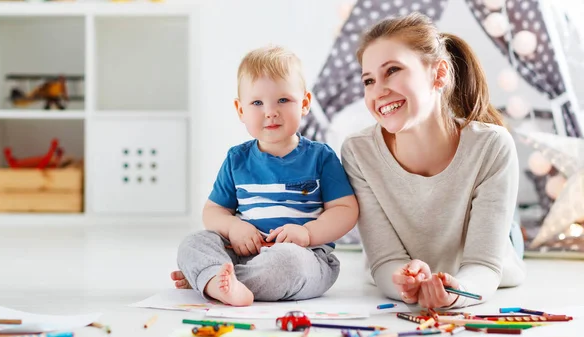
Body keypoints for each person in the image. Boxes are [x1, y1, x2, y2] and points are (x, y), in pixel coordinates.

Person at [340, 12, 526, 309]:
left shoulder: (492, 144)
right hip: (421, 250)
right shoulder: (357, 152)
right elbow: (386, 260)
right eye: (369, 80)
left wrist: (458, 291)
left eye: (393, 71)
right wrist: (405, 283)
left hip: (487, 252)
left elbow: (484, 264)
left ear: (438, 74)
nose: (378, 91)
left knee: (508, 234)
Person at [171, 45, 359, 306]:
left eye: (283, 100)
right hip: (242, 254)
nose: (270, 111)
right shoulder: (237, 159)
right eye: (257, 103)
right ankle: (219, 280)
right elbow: (212, 212)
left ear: (304, 103)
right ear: (240, 110)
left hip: (306, 257)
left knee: (287, 263)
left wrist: (307, 234)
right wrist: (234, 227)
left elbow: (345, 209)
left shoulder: (320, 156)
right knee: (194, 242)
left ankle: (211, 280)